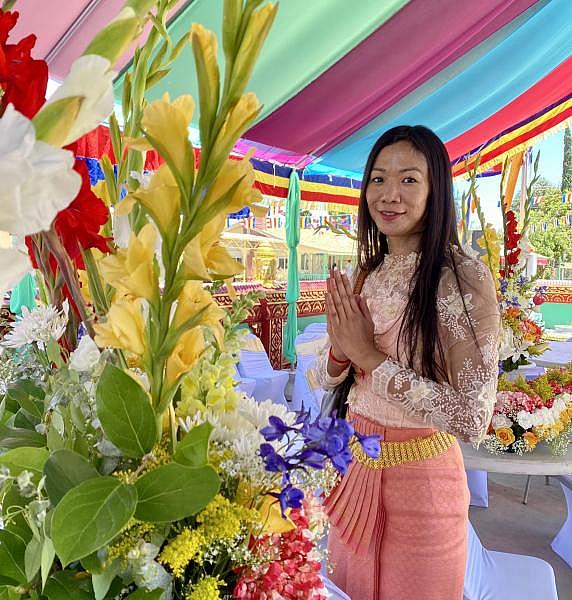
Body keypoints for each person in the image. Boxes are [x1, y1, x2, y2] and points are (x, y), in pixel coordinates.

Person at [316, 125, 500, 599]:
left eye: (409, 179)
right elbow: (325, 374)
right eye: (377, 179)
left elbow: (472, 416)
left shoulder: (462, 278)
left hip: (424, 488)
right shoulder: (367, 272)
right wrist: (341, 349)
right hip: (353, 471)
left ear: (437, 187)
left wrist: (370, 357)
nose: (388, 194)